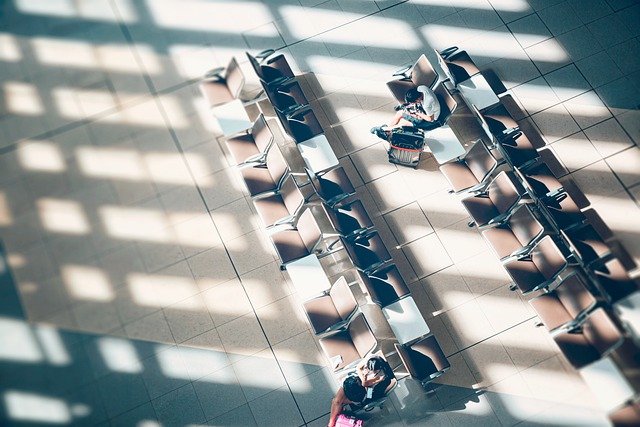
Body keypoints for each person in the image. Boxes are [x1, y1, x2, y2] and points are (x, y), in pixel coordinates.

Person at [371, 85, 441, 140]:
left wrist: (417, 112)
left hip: (432, 119)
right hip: (426, 110)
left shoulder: (427, 105)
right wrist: (413, 105)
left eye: (414, 101)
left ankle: (383, 129)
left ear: (418, 99)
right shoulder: (421, 88)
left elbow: (430, 119)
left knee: (406, 124)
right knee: (400, 113)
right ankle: (387, 132)